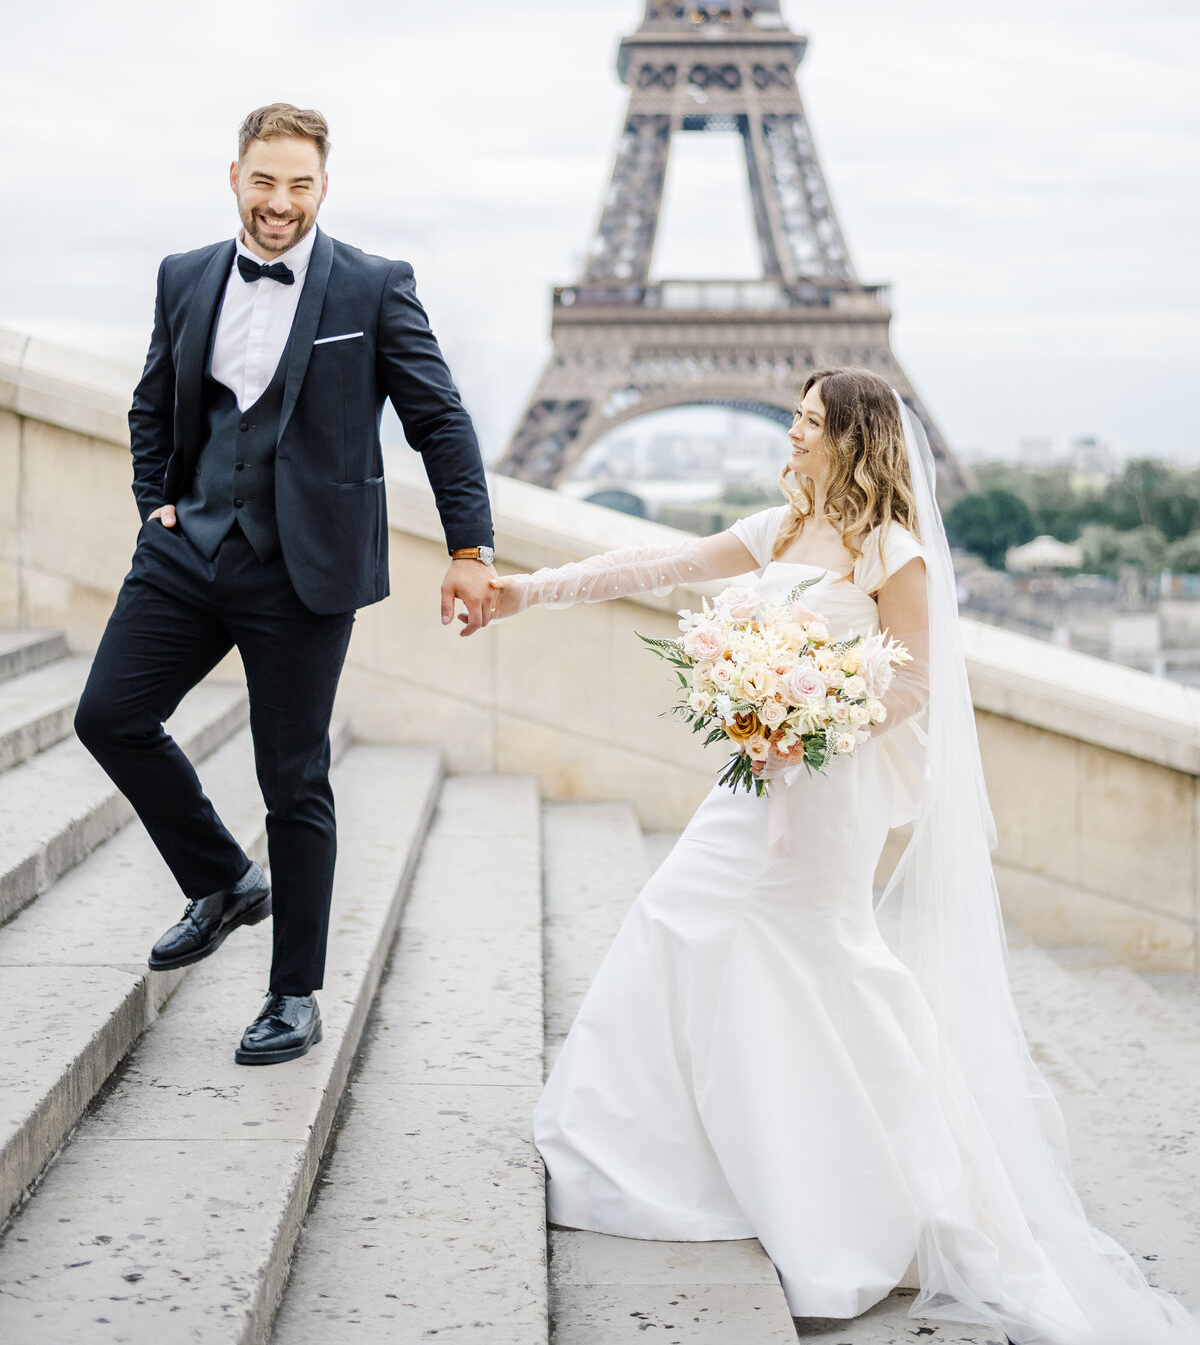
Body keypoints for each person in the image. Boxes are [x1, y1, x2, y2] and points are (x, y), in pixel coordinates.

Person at [488, 369, 1198, 1344]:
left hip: (827, 790)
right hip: (758, 781)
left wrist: (813, 717)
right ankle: (677, 1149)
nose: (792, 433)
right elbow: (650, 567)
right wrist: (522, 591)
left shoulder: (893, 551)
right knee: (685, 922)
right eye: (796, 417)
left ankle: (893, 1186)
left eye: (810, 423)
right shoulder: (778, 530)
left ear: (852, 439)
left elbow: (916, 684)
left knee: (819, 957)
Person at [74, 103, 496, 1065]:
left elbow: (441, 421)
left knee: (292, 777)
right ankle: (223, 878)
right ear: (233, 177)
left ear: (324, 187)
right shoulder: (184, 276)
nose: (280, 203)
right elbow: (152, 399)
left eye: (299, 184)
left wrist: (470, 549)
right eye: (264, 181)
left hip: (304, 571)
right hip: (189, 553)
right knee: (108, 716)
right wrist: (155, 502)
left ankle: (293, 993)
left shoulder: (374, 286)